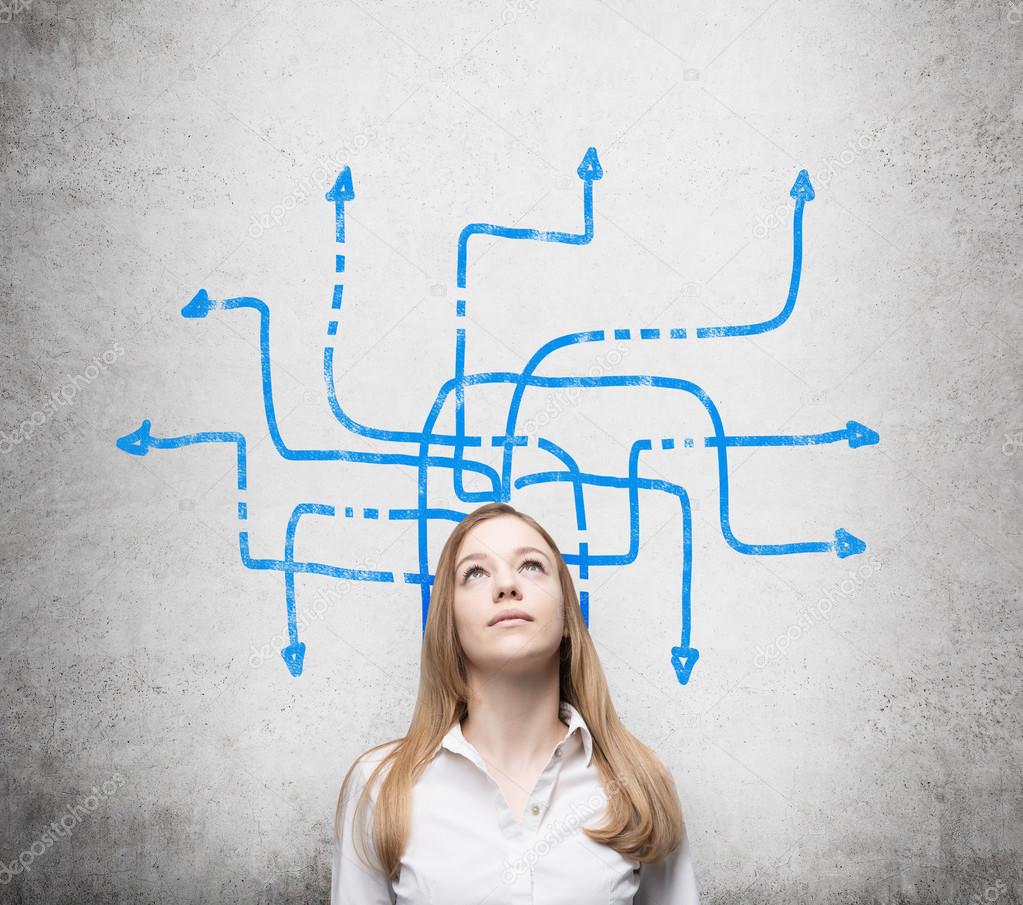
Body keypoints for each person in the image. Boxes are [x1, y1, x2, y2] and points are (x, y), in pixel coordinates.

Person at [330, 501, 700, 904]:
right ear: (448, 624)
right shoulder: (379, 787)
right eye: (475, 572)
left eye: (531, 566)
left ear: (566, 617)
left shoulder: (640, 783)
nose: (506, 586)